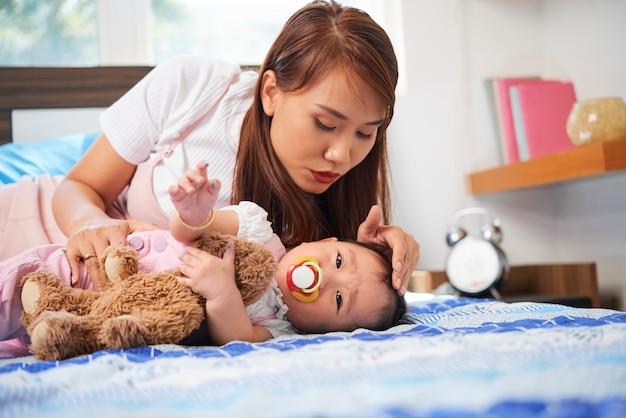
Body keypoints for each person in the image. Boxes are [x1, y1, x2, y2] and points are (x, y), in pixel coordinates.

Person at [0, 1, 419, 296]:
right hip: (28, 228)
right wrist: (91, 224)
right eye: (325, 124)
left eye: (366, 133)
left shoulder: (340, 196)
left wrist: (373, 255)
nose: (342, 156)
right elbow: (78, 186)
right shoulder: (195, 89)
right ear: (271, 92)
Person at [0, 163, 406, 356]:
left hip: (103, 315)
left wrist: (223, 291)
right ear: (327, 240)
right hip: (89, 267)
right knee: (14, 291)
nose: (326, 281)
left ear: (330, 334)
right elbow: (187, 233)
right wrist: (195, 214)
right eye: (337, 261)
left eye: (338, 302)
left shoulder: (279, 330)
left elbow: (234, 338)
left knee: (24, 343)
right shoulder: (257, 227)